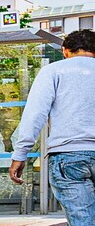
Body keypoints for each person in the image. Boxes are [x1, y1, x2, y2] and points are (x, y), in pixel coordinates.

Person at [11, 27, 95, 226]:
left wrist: (20, 154)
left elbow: (35, 114)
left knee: (83, 221)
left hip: (69, 156)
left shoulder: (54, 71)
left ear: (65, 50)